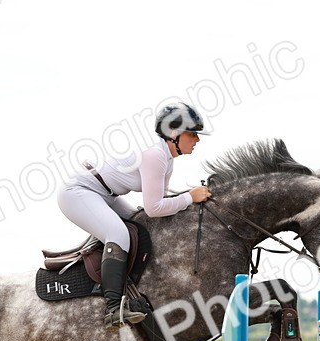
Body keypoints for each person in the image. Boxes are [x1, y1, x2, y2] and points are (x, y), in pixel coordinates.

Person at [57, 102, 213, 329]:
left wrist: (190, 197)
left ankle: (132, 289)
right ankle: (113, 309)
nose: (197, 139)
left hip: (104, 194)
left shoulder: (167, 158)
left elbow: (159, 203)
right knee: (119, 234)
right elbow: (154, 208)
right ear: (173, 134)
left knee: (140, 225)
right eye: (192, 134)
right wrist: (190, 197)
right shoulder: (155, 155)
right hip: (78, 192)